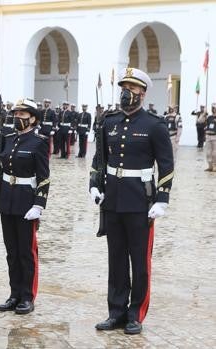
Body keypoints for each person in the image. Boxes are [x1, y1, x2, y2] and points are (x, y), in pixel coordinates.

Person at [90, 68, 174, 335]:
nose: (127, 92)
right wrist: (94, 184)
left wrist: (162, 199)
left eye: (132, 88)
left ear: (143, 92)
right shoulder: (109, 121)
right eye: (124, 87)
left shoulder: (154, 125)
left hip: (140, 202)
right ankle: (115, 312)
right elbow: (99, 159)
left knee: (139, 262)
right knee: (115, 260)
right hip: (112, 200)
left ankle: (136, 314)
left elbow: (166, 165)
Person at [0, 98, 49, 316]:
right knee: (11, 252)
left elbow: (43, 177)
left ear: (33, 119)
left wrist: (39, 205)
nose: (17, 118)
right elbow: (0, 169)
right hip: (7, 201)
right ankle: (14, 294)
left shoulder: (39, 142)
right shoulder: (7, 138)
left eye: (22, 115)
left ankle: (27, 296)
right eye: (16, 114)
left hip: (25, 201)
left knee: (26, 252)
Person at [205, 103, 216, 171]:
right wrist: (204, 114)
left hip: (215, 136)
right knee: (208, 153)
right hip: (208, 136)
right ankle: (210, 166)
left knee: (214, 153)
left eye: (214, 108)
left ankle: (215, 165)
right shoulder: (209, 117)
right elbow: (203, 123)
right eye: (213, 108)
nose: (213, 109)